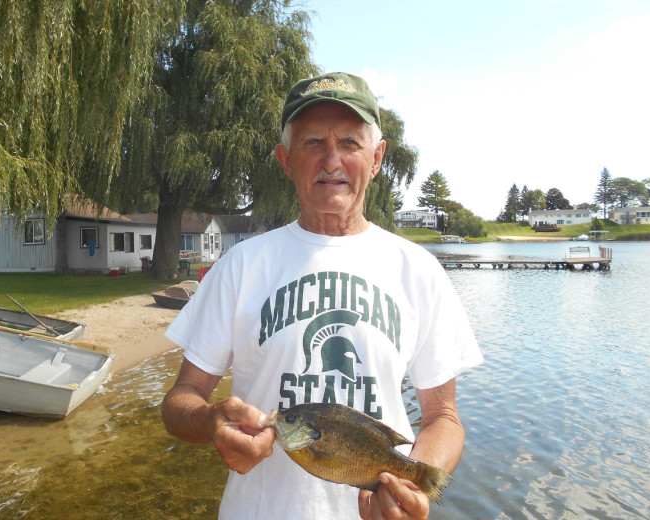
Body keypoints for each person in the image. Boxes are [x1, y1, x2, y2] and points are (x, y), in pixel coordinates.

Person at [161, 72, 483, 520]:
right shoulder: (240, 265)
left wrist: (414, 485)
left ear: (376, 158)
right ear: (286, 160)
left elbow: (442, 417)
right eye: (313, 142)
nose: (332, 161)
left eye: (350, 142)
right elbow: (182, 398)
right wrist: (208, 422)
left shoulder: (420, 271)